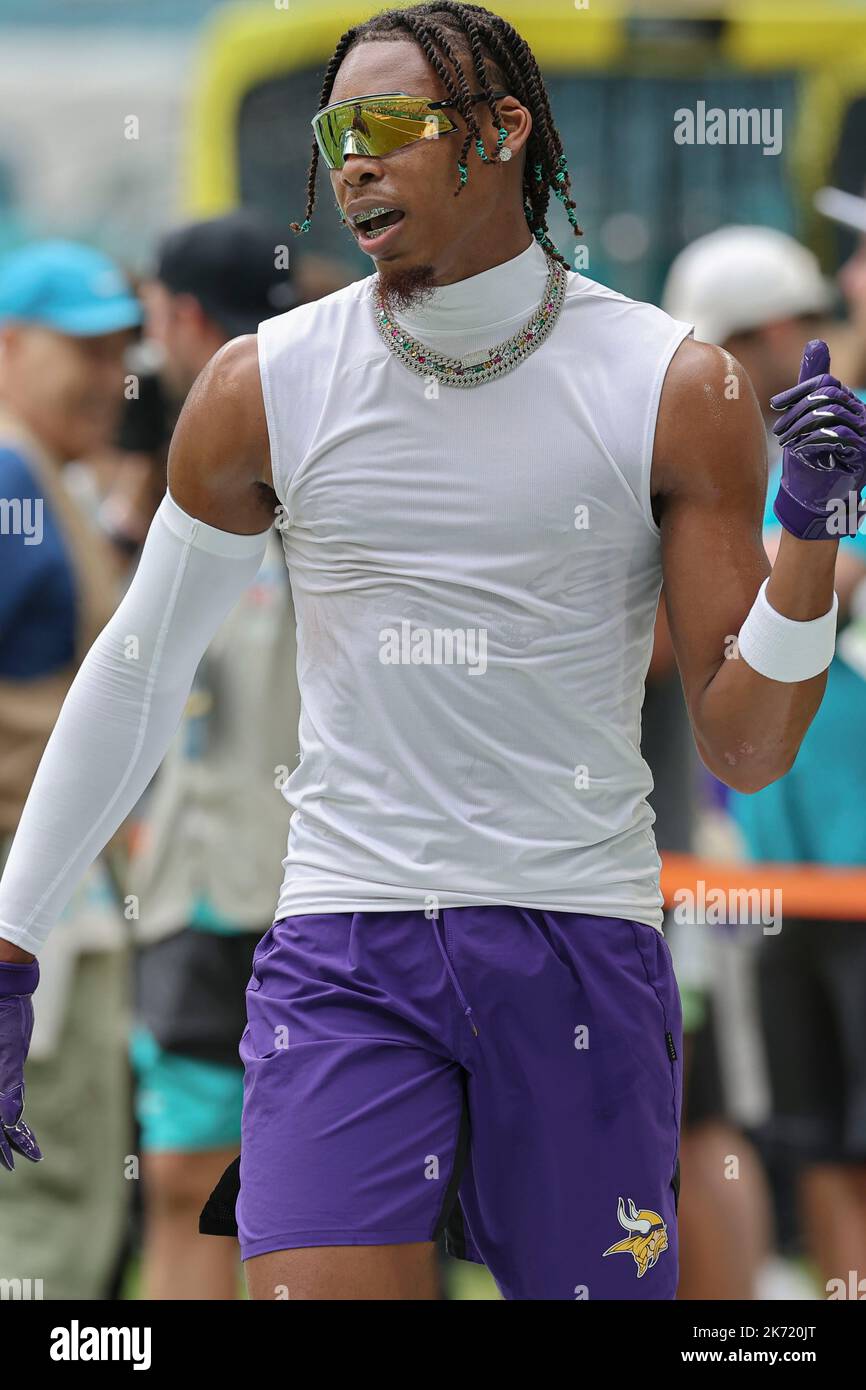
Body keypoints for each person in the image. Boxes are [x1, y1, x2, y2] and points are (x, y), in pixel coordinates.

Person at [2, 3, 865, 1302]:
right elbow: (134, 670)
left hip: (578, 944)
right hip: (344, 947)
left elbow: (744, 735)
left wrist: (804, 545)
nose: (352, 158)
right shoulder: (261, 384)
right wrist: (11, 932)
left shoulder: (670, 384)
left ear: (501, 130)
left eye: (390, 124)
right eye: (337, 129)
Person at [666, 222, 866, 1297]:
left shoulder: (837, 452)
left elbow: (804, 599)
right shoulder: (721, 476)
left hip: (857, 867)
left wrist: (813, 519)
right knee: (814, 1139)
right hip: (775, 870)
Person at [126, 212, 301, 1301]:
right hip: (281, 880)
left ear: (186, 317)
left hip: (251, 880)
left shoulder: (264, 447)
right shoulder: (341, 419)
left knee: (206, 1175)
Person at [0, 240, 141, 1297]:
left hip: (55, 893)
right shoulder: (10, 477)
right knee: (46, 1190)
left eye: (119, 349)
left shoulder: (52, 479)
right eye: (81, 350)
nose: (109, 374)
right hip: (23, 897)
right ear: (8, 345)